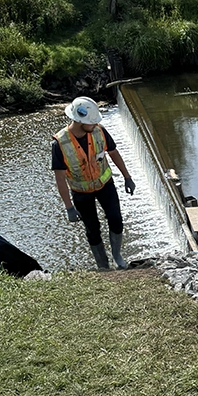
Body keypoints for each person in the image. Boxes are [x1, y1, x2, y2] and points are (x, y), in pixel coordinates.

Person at [53, 96, 136, 270]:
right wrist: (68, 207)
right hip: (81, 192)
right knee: (92, 229)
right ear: (78, 120)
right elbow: (60, 178)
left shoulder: (99, 131)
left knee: (116, 220)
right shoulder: (60, 143)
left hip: (105, 185)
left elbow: (113, 153)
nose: (94, 125)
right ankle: (102, 265)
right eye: (91, 122)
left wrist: (127, 177)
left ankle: (117, 256)